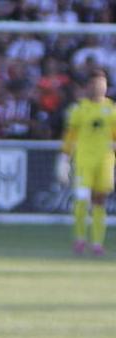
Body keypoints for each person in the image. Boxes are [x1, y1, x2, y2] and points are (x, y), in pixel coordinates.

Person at [59, 70, 116, 256]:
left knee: (100, 201)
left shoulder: (112, 109)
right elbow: (70, 135)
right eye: (95, 83)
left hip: (105, 161)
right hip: (84, 160)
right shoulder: (79, 109)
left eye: (102, 83)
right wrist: (64, 158)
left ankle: (97, 243)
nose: (99, 87)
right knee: (82, 199)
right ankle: (80, 240)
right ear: (88, 87)